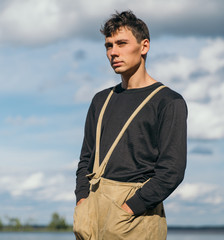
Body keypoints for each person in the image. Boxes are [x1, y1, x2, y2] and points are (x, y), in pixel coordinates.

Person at [73, 10, 187, 240]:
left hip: (135, 218)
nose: (113, 52)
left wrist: (128, 209)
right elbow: (86, 158)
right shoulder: (101, 100)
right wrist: (82, 201)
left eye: (122, 43)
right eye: (108, 45)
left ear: (144, 46)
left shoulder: (168, 101)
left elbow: (172, 171)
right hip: (93, 213)